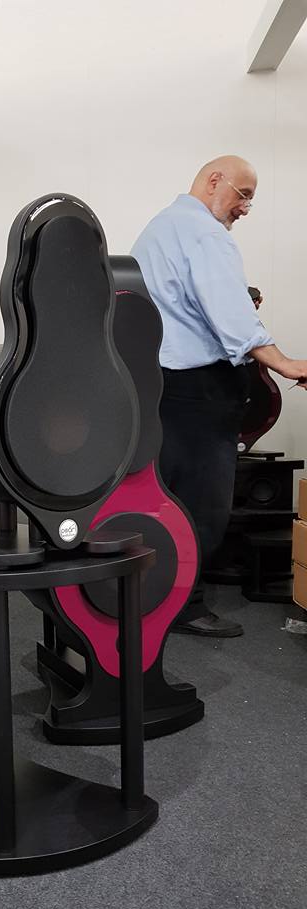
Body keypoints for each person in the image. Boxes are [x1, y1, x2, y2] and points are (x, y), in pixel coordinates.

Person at [132, 155, 307, 638]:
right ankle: (184, 606)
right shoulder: (207, 235)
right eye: (244, 195)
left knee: (167, 499)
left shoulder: (159, 228)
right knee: (203, 508)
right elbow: (232, 316)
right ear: (214, 180)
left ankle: (152, 601)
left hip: (162, 386)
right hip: (200, 391)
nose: (246, 208)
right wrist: (286, 363)